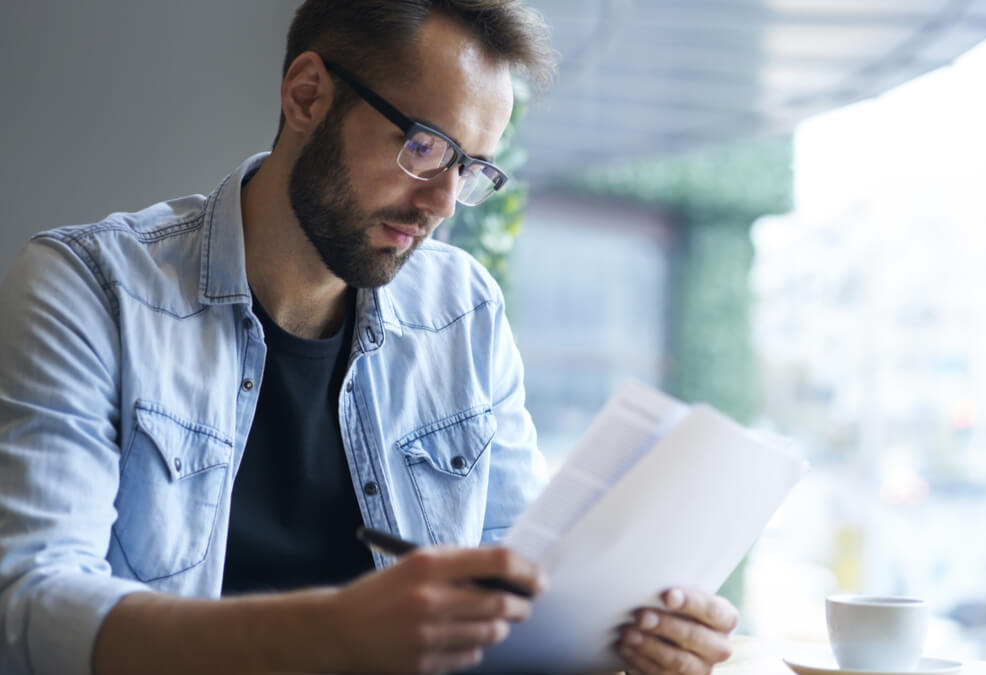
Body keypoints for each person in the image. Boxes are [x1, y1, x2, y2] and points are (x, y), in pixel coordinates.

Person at [0, 1, 739, 674]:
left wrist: (627, 640)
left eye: (472, 168)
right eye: (424, 146)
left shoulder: (463, 311)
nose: (443, 204)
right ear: (307, 96)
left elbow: (518, 600)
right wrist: (331, 631)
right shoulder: (89, 288)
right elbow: (31, 606)